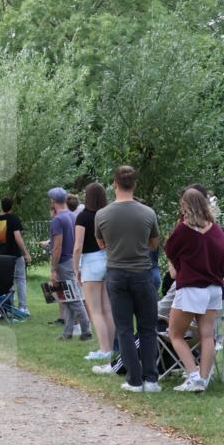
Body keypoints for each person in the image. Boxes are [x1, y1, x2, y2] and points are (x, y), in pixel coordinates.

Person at [92, 166, 162, 392]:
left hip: (116, 274)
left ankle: (134, 379)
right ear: (135, 185)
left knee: (124, 328)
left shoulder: (101, 215)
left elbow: (101, 244)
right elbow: (154, 244)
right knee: (148, 328)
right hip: (142, 273)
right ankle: (151, 379)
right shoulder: (148, 213)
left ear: (114, 184)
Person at [163, 188, 224, 393]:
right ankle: (203, 379)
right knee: (207, 335)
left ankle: (193, 375)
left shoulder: (183, 230)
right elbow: (222, 261)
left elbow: (170, 251)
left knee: (175, 333)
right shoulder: (216, 230)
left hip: (192, 288)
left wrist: (180, 266)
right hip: (214, 288)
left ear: (184, 205)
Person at [74, 183, 114, 361]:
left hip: (90, 261)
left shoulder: (83, 217)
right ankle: (111, 348)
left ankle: (104, 349)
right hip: (108, 259)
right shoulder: (108, 214)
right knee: (107, 309)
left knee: (95, 310)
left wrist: (76, 269)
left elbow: (77, 246)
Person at [48, 187, 92, 341]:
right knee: (66, 299)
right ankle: (67, 333)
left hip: (63, 262)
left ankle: (86, 331)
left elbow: (57, 246)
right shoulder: (71, 216)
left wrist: (53, 269)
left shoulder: (58, 220)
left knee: (72, 299)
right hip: (71, 259)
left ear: (53, 202)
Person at [0, 197, 31, 317]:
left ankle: (8, 306)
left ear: (1, 205)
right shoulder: (14, 219)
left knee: (8, 281)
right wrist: (26, 253)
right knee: (20, 280)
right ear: (11, 207)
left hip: (2, 254)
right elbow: (17, 237)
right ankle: (23, 307)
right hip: (15, 254)